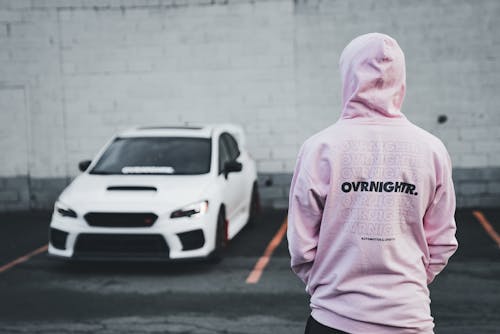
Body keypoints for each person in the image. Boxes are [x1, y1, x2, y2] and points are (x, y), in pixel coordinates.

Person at [287, 33, 458, 334]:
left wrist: (330, 287)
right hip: (409, 319)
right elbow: (442, 241)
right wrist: (405, 287)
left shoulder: (321, 148)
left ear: (348, 75)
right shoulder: (431, 149)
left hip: (333, 319)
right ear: (401, 79)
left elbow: (301, 246)